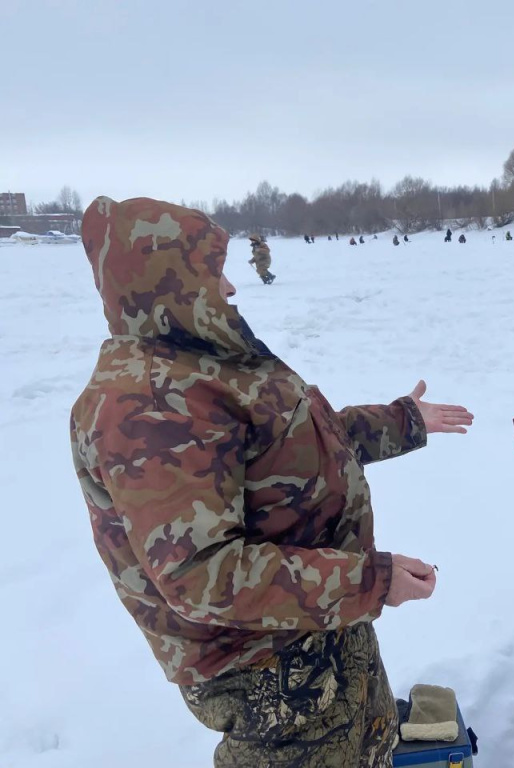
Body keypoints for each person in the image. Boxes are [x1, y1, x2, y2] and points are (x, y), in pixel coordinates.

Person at [70, 197, 475, 767]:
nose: (231, 287)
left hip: (317, 618)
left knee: (369, 743)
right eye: (213, 272)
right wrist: (371, 581)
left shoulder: (202, 364)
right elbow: (204, 575)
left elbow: (298, 445)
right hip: (264, 664)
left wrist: (402, 422)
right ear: (169, 283)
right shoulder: (150, 406)